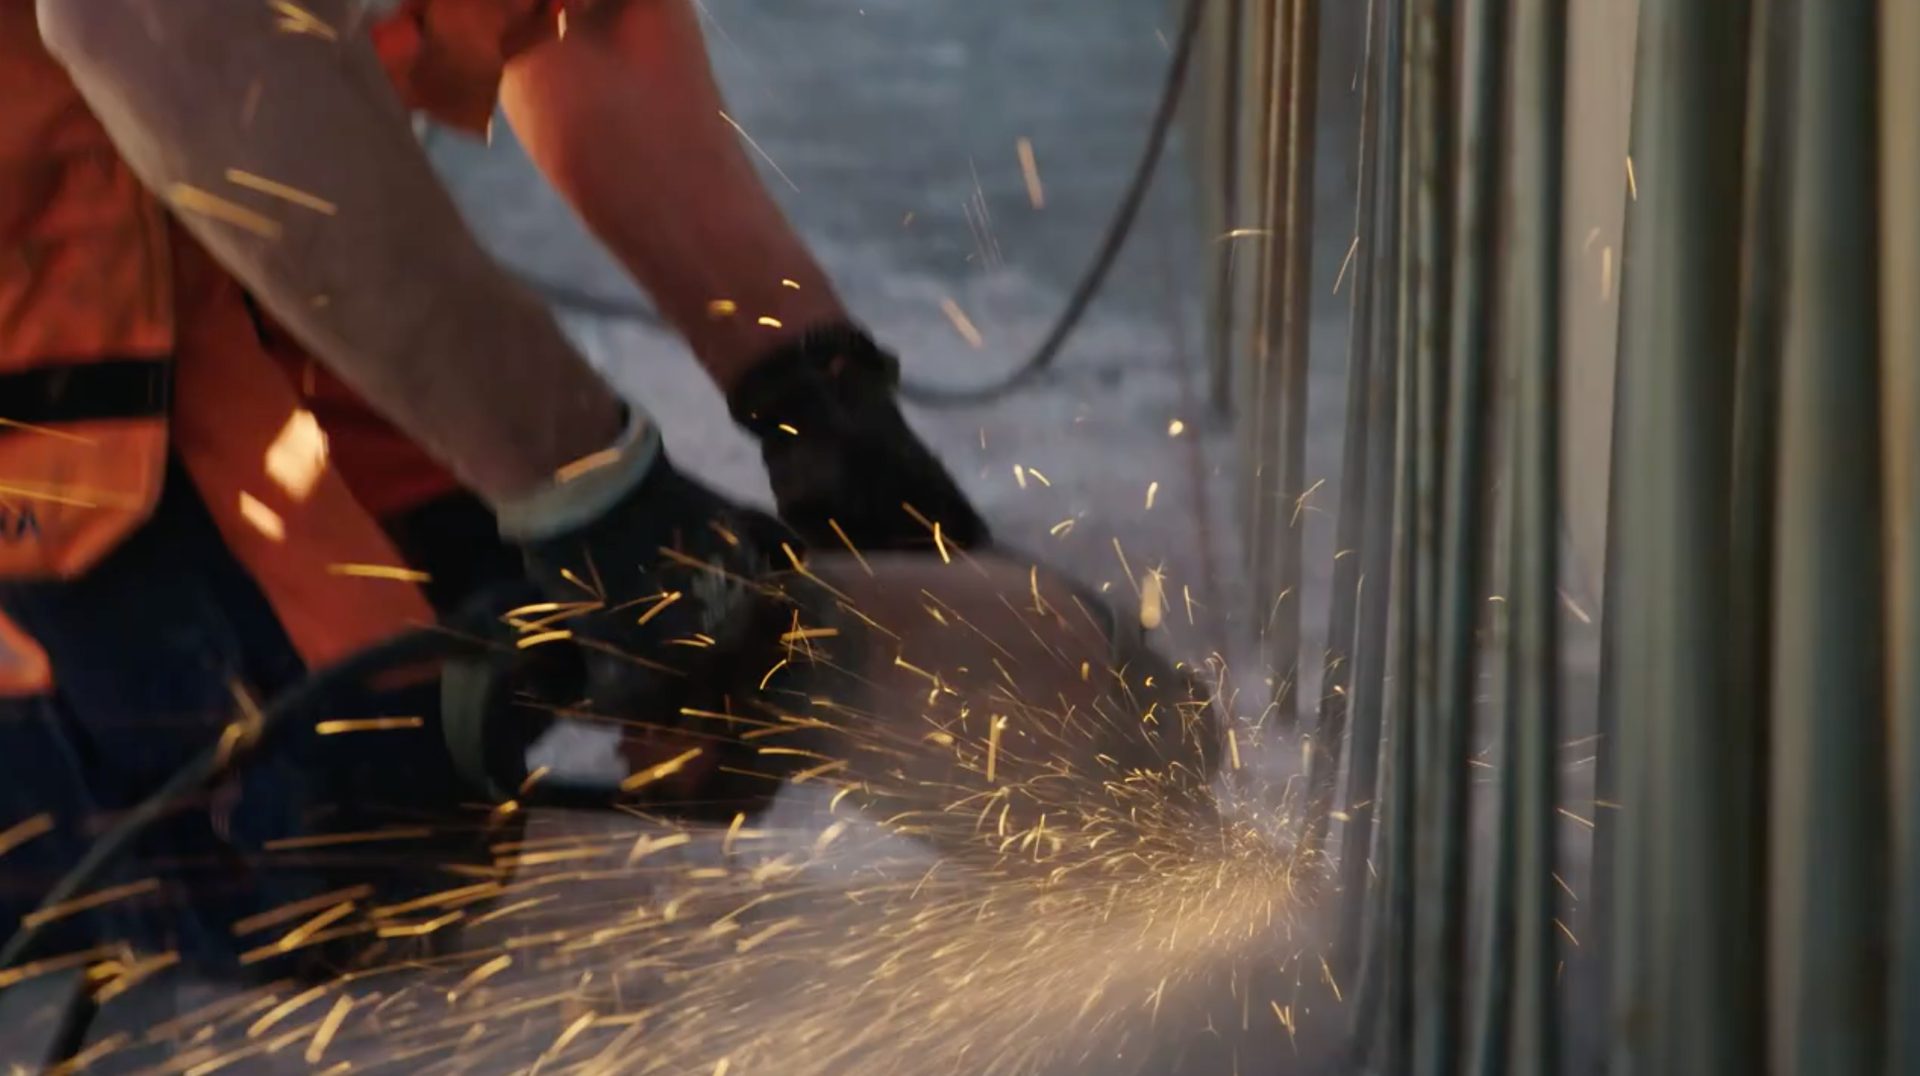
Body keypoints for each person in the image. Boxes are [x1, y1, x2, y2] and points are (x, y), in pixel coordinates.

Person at [0, 0, 987, 972]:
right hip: (47, 354)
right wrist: (594, 499)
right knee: (334, 831)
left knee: (557, 633)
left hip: (207, 249)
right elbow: (146, 24)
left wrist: (808, 389)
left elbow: (579, 23)